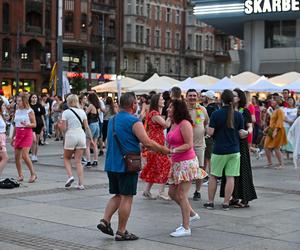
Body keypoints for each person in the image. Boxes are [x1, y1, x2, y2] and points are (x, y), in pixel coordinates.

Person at [97, 92, 170, 241]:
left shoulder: (112, 119)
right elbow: (147, 142)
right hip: (127, 165)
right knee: (127, 197)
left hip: (111, 164)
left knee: (117, 194)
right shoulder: (133, 121)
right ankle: (121, 231)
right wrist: (164, 150)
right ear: (133, 105)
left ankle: (105, 221)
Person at [166, 99, 207, 237]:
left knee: (182, 195)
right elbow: (170, 142)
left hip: (187, 163)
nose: (167, 109)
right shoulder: (173, 123)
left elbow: (189, 144)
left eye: (170, 107)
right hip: (176, 163)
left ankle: (186, 227)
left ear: (177, 109)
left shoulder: (185, 123)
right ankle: (192, 214)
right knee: (172, 193)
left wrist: (173, 150)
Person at [204, 89, 244, 211]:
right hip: (234, 150)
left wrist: (206, 127)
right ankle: (226, 203)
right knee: (231, 177)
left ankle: (210, 202)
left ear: (221, 100)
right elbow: (241, 133)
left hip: (219, 150)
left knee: (214, 176)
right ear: (233, 100)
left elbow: (210, 133)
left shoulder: (216, 114)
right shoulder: (238, 115)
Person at [220, 89, 257, 208]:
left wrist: (247, 132)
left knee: (243, 169)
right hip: (229, 143)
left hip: (241, 144)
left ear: (240, 98)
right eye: (231, 96)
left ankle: (245, 198)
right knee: (230, 172)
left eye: (235, 96)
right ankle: (233, 197)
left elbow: (250, 127)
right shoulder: (226, 111)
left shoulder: (244, 111)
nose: (233, 97)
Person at [140, 94, 171, 200]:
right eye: (161, 99)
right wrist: (171, 116)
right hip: (156, 143)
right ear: (156, 101)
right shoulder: (155, 113)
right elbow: (166, 125)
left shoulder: (155, 113)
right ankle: (161, 192)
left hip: (156, 142)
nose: (163, 101)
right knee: (166, 165)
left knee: (154, 166)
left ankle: (146, 191)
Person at [60, 94, 94, 190]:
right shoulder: (82, 112)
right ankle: (81, 184)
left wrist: (60, 126)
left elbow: (64, 128)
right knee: (78, 161)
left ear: (68, 102)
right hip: (81, 135)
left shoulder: (66, 112)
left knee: (66, 158)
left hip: (71, 135)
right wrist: (91, 139)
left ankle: (70, 176)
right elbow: (86, 127)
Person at [185, 89, 209, 201]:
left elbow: (206, 122)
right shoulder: (183, 110)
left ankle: (197, 191)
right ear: (186, 97)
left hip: (199, 144)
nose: (192, 98)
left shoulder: (202, 109)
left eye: (194, 95)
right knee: (186, 169)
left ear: (197, 97)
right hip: (186, 145)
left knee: (199, 168)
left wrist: (204, 131)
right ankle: (184, 191)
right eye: (190, 96)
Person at [11, 95, 37, 183]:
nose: (17, 103)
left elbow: (34, 124)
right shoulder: (17, 111)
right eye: (17, 101)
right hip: (18, 133)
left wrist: (27, 125)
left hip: (27, 133)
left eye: (19, 101)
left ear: (24, 101)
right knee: (16, 156)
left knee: (25, 155)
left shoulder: (29, 111)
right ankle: (20, 175)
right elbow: (15, 125)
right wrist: (12, 137)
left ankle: (33, 174)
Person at [264, 97, 287, 169]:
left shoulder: (279, 111)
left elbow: (280, 121)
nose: (271, 101)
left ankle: (281, 164)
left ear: (277, 102)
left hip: (278, 130)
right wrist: (267, 128)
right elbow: (272, 122)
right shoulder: (274, 110)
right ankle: (270, 162)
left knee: (276, 148)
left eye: (273, 100)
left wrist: (275, 131)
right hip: (271, 129)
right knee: (266, 146)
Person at [202, 90, 219, 175]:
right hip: (216, 135)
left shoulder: (208, 108)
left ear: (207, 98)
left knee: (208, 157)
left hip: (208, 135)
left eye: (204, 96)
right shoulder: (217, 107)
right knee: (208, 157)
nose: (202, 98)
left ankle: (212, 175)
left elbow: (204, 122)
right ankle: (206, 174)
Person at [84, 93, 101, 167]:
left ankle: (88, 161)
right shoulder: (98, 106)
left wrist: (84, 109)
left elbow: (85, 114)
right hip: (97, 124)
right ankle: (95, 160)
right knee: (94, 144)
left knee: (87, 144)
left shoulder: (91, 106)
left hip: (91, 125)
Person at [29, 94, 46, 162]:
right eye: (33, 97)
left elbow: (42, 116)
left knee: (37, 141)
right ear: (30, 98)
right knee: (34, 140)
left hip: (39, 124)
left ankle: (35, 155)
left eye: (35, 97)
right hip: (31, 124)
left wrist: (44, 125)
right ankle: (32, 155)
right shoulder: (28, 106)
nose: (34, 99)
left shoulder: (40, 106)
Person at [0, 97, 9, 177]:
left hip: (2, 137)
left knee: (1, 158)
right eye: (3, 106)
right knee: (5, 158)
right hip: (0, 138)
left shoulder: (1, 115)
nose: (4, 107)